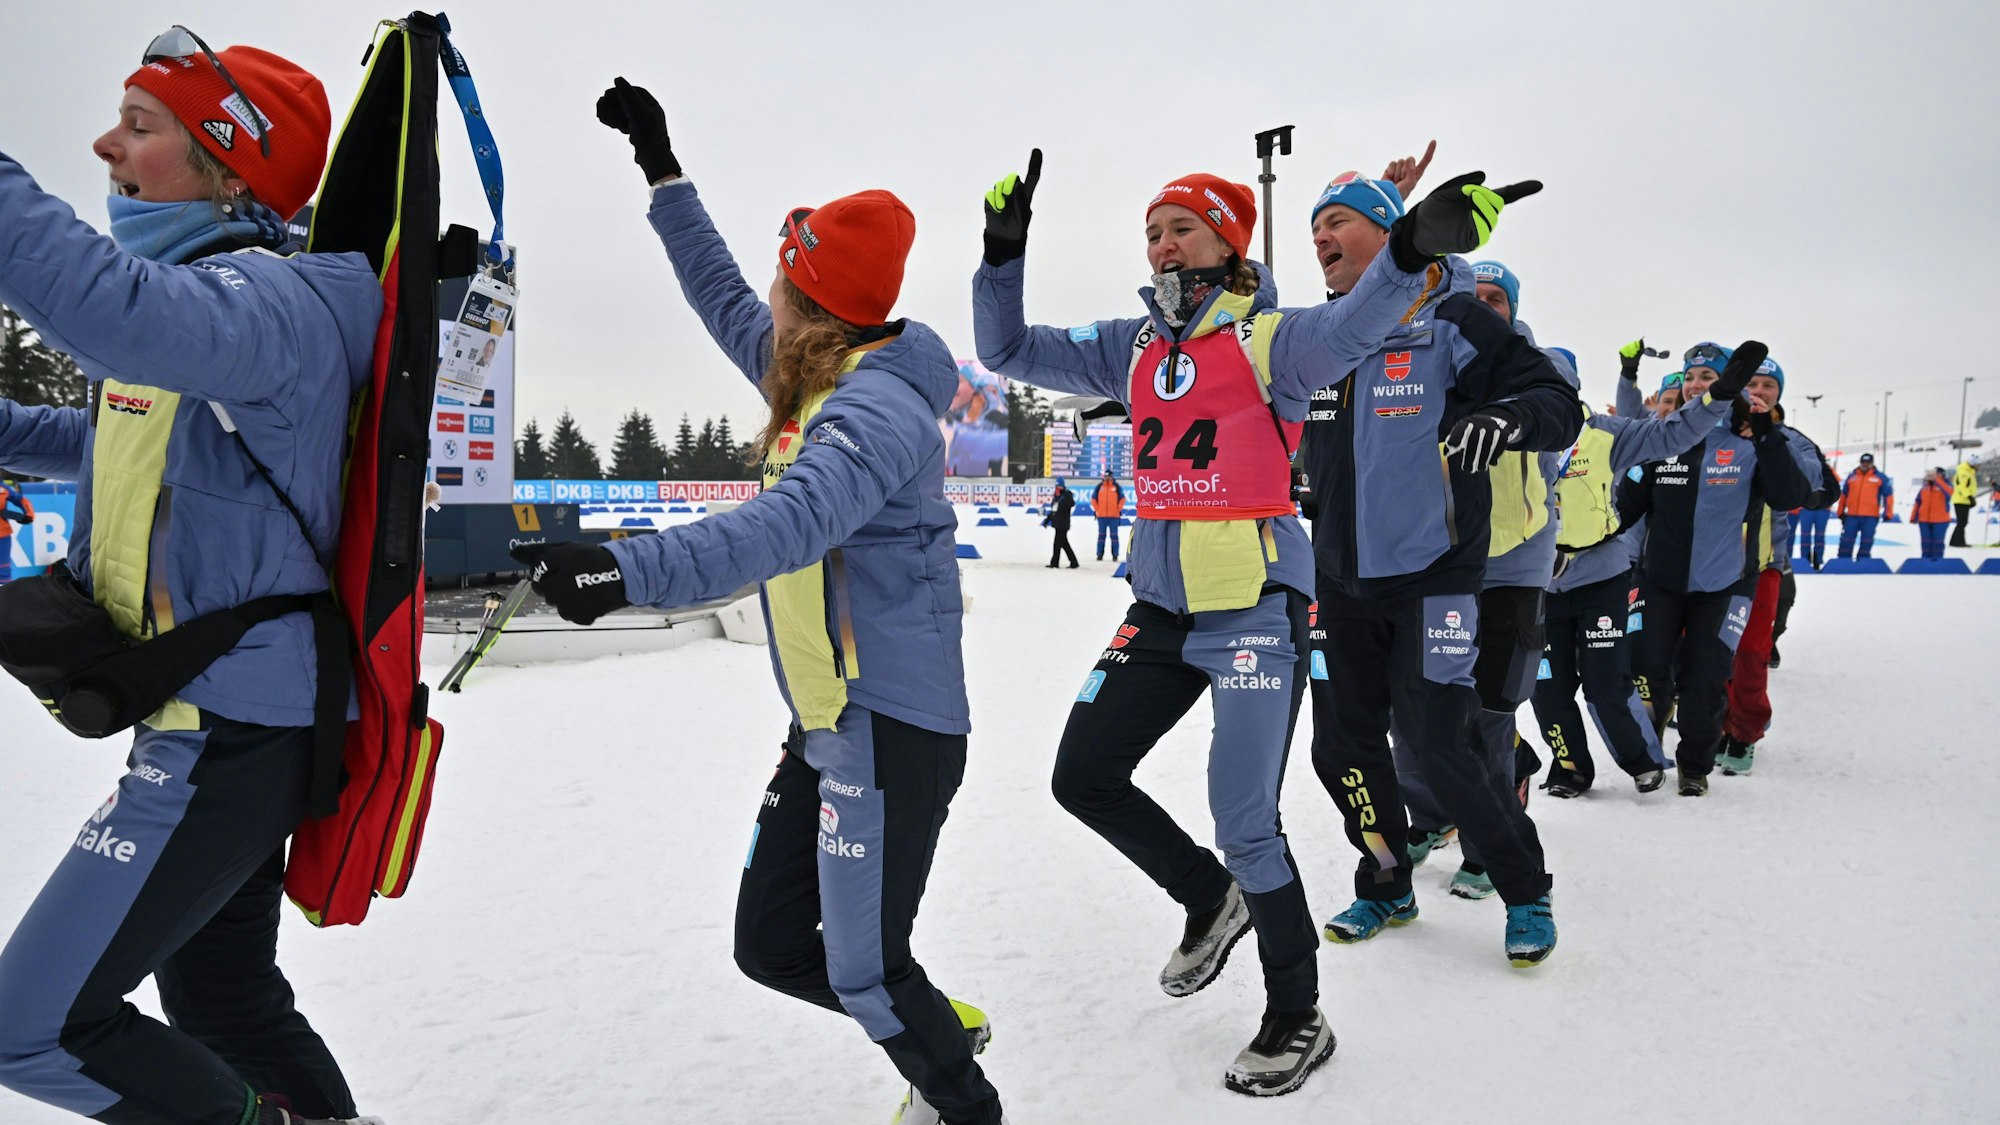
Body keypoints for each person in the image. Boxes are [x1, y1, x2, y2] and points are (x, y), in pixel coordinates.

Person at [973, 146, 1525, 1094]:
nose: (1161, 243)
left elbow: (1362, 320)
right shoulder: (1133, 343)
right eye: (1151, 230)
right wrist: (1002, 249)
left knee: (1246, 818)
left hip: (1257, 609)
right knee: (1082, 773)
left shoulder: (1275, 339)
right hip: (1162, 604)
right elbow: (1007, 349)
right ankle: (1208, 896)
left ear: (1227, 239)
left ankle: (1297, 1015)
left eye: (1179, 226)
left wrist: (1411, 247)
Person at [524, 78, 1004, 1125]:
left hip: (893, 725)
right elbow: (717, 292)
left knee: (869, 974)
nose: (764, 304)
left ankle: (963, 1103)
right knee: (773, 947)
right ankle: (939, 1028)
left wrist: (622, 568)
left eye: (781, 286)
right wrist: (661, 167)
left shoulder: (872, 406)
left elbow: (788, 525)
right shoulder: (807, 366)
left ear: (815, 302)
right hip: (831, 723)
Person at [0, 31, 385, 1125]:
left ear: (227, 167)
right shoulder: (206, 317)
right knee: (224, 999)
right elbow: (110, 435)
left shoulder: (264, 305)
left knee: (34, 1024)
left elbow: (109, 312)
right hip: (220, 706)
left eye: (141, 123)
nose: (102, 142)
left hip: (230, 730)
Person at [1288, 177, 1580, 969]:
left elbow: (1556, 400)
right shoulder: (1321, 336)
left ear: (1390, 234)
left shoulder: (1453, 318)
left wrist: (1504, 416)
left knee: (1438, 745)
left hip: (1434, 578)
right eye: (1313, 226)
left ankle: (1525, 888)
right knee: (1340, 747)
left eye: (1337, 222)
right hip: (1338, 582)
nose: (1320, 237)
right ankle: (1386, 878)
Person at [1529, 337, 1737, 799]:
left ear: (1571, 388)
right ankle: (1569, 769)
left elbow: (1669, 434)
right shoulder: (1512, 434)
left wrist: (1715, 399)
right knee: (1546, 687)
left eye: (1553, 382)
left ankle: (1641, 759)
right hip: (1535, 582)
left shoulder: (1605, 433)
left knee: (1606, 683)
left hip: (1600, 576)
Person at [1622, 342, 1813, 796]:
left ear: (1728, 385)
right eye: (1691, 376)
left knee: (1706, 677)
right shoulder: (1662, 434)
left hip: (1725, 583)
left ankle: (1694, 764)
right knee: (1646, 666)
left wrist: (1765, 429)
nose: (1695, 385)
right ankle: (1649, 753)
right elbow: (1625, 507)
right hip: (1659, 580)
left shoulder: (1749, 437)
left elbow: (1790, 494)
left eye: (1708, 378)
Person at [1716, 361, 1833, 776]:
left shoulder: (1790, 439)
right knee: (1709, 654)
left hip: (1762, 565)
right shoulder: (1714, 431)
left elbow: (1818, 486)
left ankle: (1744, 732)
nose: (1759, 391)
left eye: (1768, 385)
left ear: (1779, 394)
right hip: (1707, 566)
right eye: (1751, 384)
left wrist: (1769, 442)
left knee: (1750, 654)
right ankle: (1716, 721)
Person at [1836, 452, 1892, 558]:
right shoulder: (1852, 477)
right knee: (1847, 539)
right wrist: (1840, 511)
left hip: (1870, 516)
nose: (1865, 464)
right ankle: (1843, 560)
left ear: (1872, 463)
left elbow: (1888, 496)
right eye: (1863, 462)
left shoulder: (1880, 477)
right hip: (1852, 515)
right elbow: (1844, 495)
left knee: (1867, 540)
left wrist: (1888, 513)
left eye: (1868, 462)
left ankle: (1863, 561)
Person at [1793, 450, 1837, 570]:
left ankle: (1818, 561)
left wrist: (1830, 500)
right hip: (1806, 508)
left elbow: (1836, 485)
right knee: (1805, 535)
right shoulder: (1804, 468)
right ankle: (1805, 560)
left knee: (1820, 536)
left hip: (1823, 508)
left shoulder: (1828, 471)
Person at [1912, 466, 1955, 559]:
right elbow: (1918, 501)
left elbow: (1949, 493)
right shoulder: (1925, 486)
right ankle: (1925, 560)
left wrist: (1937, 481)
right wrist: (1914, 516)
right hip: (1924, 520)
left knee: (1938, 542)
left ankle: (1937, 561)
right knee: (1925, 542)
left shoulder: (1947, 485)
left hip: (1940, 520)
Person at [0, 476, 34, 583]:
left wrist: (29, 514)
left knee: (3, 569)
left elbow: (20, 499)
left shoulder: (3, 488)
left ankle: (5, 596)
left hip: (3, 534)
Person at [1044, 475, 1078, 567]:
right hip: (1057, 523)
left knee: (1057, 544)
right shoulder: (1056, 497)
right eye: (1056, 487)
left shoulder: (1067, 495)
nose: (1057, 489)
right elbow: (1053, 510)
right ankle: (1074, 562)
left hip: (1063, 524)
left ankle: (1055, 562)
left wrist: (1065, 493)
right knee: (1063, 544)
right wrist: (1047, 520)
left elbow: (1072, 503)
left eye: (1059, 487)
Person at [1093, 470, 1125, 560]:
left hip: (1114, 517)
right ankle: (1099, 554)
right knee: (1101, 536)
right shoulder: (1099, 487)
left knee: (1114, 536)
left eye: (1108, 476)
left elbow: (1122, 499)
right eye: (1105, 476)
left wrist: (1117, 509)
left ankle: (1115, 555)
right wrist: (1097, 509)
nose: (1107, 478)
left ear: (1111, 477)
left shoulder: (1117, 487)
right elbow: (1093, 499)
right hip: (1101, 516)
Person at [1952, 459, 1978, 547]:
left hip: (1964, 500)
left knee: (1962, 522)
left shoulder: (1969, 473)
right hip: (1961, 500)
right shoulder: (1964, 473)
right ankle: (1958, 542)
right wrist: (1969, 497)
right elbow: (1962, 487)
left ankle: (1954, 541)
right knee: (1962, 522)